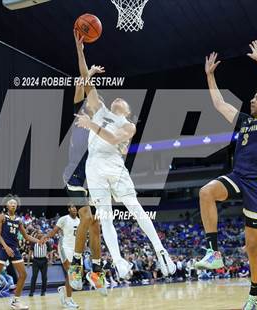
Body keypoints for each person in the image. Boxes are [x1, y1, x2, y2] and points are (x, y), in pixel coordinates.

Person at [73, 31, 176, 281]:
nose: (118, 98)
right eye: (116, 97)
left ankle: (161, 251)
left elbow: (113, 139)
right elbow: (85, 83)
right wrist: (81, 51)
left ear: (128, 111)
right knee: (105, 217)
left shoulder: (128, 125)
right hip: (94, 166)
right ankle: (118, 262)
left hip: (114, 165)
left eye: (123, 100)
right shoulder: (99, 109)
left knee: (134, 207)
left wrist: (92, 126)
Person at [195, 40, 257, 309]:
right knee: (206, 192)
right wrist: (210, 75)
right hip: (237, 176)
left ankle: (256, 292)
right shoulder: (245, 121)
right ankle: (213, 252)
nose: (252, 99)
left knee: (252, 246)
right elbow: (219, 103)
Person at [64, 36, 107, 293]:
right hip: (73, 174)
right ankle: (77, 266)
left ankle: (98, 273)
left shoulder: (102, 124)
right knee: (87, 217)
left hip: (92, 177)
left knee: (96, 226)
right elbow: (82, 79)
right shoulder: (82, 109)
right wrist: (80, 50)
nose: (96, 99)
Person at [0, 195, 39, 310]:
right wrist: (6, 247)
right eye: (11, 203)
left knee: (23, 275)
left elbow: (26, 236)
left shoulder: (18, 220)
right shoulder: (3, 217)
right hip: (3, 248)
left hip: (14, 248)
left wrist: (39, 240)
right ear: (6, 205)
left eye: (15, 203)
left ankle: (16, 301)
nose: (13, 204)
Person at [41, 205, 81, 308]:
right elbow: (54, 231)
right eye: (72, 207)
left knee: (72, 275)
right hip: (65, 246)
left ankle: (63, 291)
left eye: (75, 207)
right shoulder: (63, 219)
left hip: (75, 249)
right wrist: (45, 237)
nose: (74, 209)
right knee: (70, 272)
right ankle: (69, 299)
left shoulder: (80, 221)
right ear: (68, 209)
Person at [28, 231, 52, 297]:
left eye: (41, 233)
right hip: (36, 260)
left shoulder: (47, 243)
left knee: (44, 277)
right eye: (39, 233)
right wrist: (28, 261)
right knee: (34, 276)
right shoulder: (34, 242)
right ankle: (31, 292)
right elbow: (30, 252)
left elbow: (50, 252)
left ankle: (43, 291)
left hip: (44, 261)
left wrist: (50, 260)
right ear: (37, 235)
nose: (40, 234)